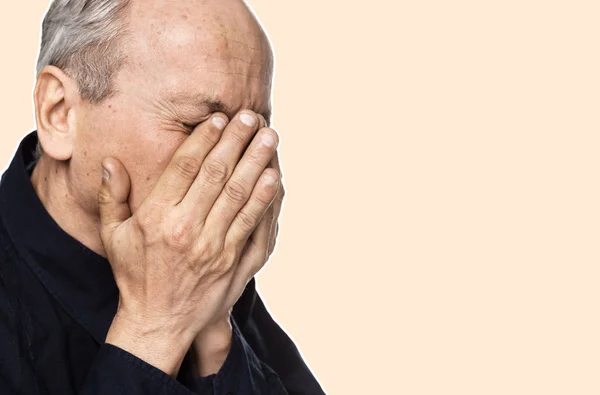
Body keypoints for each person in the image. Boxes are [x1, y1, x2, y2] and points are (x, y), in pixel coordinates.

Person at [0, 0, 325, 394]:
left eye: (255, 131)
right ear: (60, 112)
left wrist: (214, 336)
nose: (237, 164)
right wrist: (152, 331)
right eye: (197, 125)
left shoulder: (204, 267)